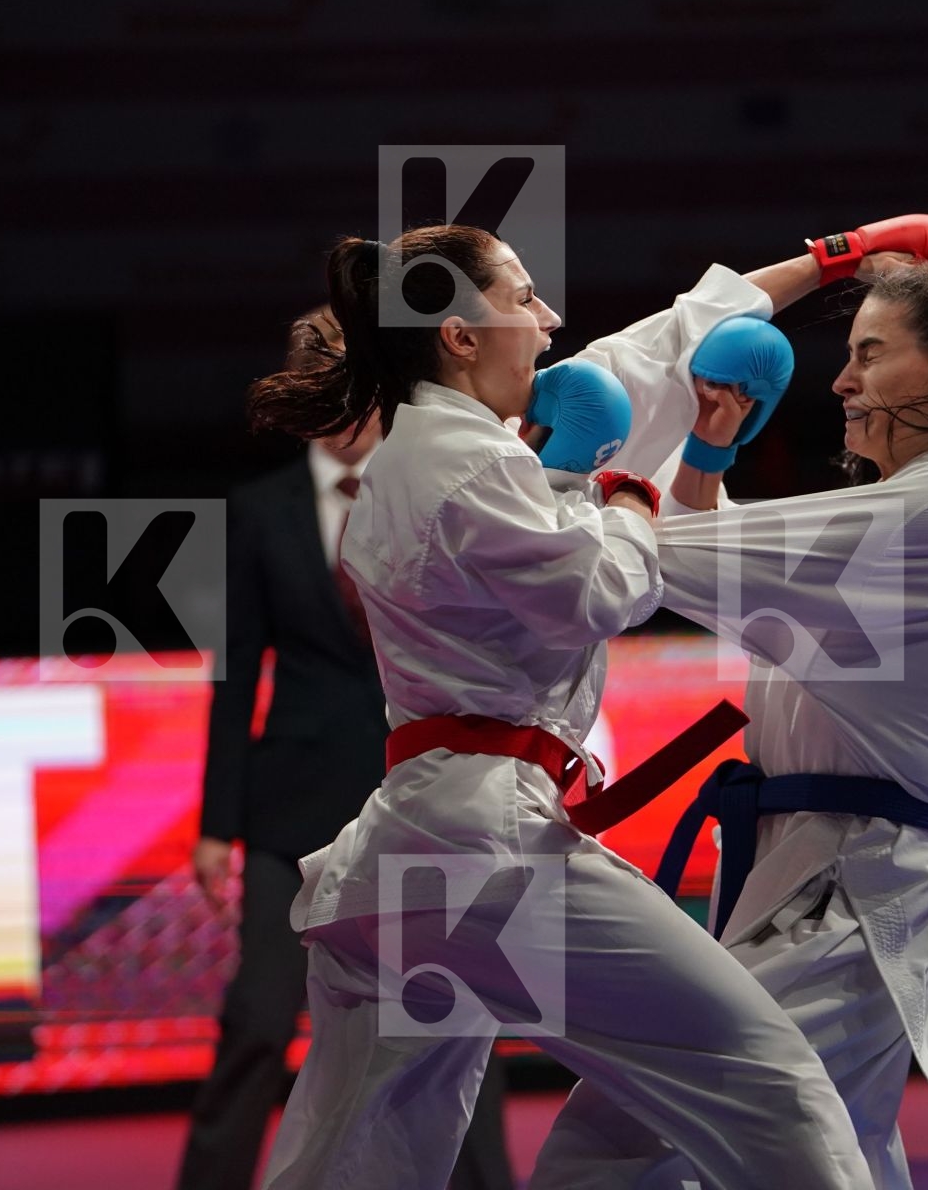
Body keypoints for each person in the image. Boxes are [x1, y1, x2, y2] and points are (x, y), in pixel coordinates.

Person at [246, 225, 874, 1190]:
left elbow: (659, 347)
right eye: (526, 298)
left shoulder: (452, 447)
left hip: (413, 860)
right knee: (764, 1072)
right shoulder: (466, 461)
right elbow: (598, 592)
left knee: (361, 1154)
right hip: (482, 850)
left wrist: (833, 259)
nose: (548, 322)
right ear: (458, 334)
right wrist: (615, 488)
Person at [584, 220, 928, 1189]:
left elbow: (674, 560)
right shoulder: (912, 518)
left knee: (626, 1144)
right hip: (816, 880)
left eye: (870, 356)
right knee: (835, 1151)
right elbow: (721, 563)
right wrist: (708, 446)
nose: (839, 381)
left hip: (847, 894)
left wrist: (576, 474)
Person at [178, 309, 513, 1190]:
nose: (350, 403)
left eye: (358, 380)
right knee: (257, 1023)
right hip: (292, 809)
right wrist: (219, 824)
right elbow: (233, 676)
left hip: (424, 798)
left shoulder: (439, 488)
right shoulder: (256, 514)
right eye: (325, 381)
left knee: (454, 1019)